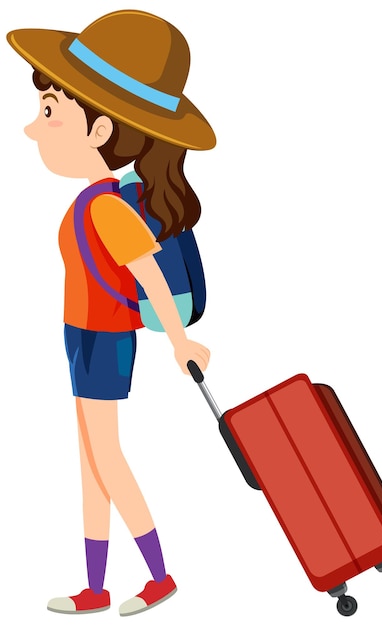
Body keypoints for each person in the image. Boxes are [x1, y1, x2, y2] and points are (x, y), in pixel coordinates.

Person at [7, 9, 216, 617]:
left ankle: (159, 576)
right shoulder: (93, 201)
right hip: (79, 336)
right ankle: (94, 586)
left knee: (105, 458)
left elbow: (148, 272)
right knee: (88, 462)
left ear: (100, 130)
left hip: (104, 339)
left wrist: (181, 342)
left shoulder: (107, 208)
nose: (31, 128)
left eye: (50, 112)